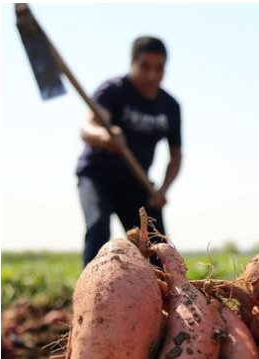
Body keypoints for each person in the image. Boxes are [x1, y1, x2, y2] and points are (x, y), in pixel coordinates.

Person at [76, 36, 182, 264]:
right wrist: (106, 137)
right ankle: (90, 295)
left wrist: (163, 190)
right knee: (98, 226)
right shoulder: (113, 91)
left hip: (136, 182)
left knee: (157, 245)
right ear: (132, 63)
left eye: (159, 68)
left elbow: (176, 156)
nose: (152, 74)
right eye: (145, 66)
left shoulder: (170, 106)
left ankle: (166, 297)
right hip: (98, 177)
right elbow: (87, 128)